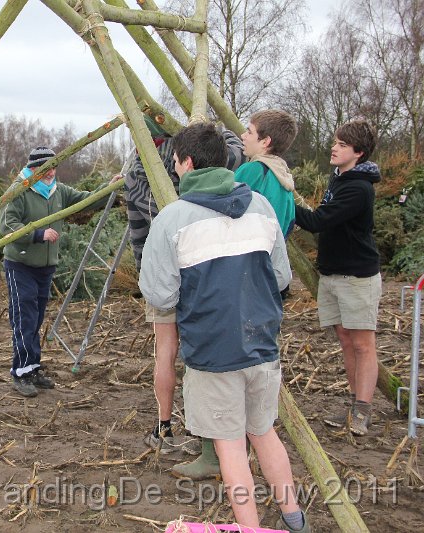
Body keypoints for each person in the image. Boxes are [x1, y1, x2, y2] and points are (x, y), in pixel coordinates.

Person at [139, 123, 310, 532]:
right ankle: (295, 520)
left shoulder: (173, 219)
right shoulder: (262, 207)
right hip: (262, 345)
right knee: (264, 433)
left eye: (176, 161)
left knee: (231, 449)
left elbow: (160, 296)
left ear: (188, 163)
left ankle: (250, 529)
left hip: (213, 352)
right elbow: (282, 277)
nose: (176, 168)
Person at [126, 116, 245, 470]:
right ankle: (182, 428)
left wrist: (205, 132)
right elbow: (234, 153)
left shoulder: (141, 167)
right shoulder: (145, 168)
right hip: (189, 266)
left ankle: (173, 428)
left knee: (171, 349)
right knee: (189, 348)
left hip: (170, 268)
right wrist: (211, 131)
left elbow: (232, 153)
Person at [0, 146, 121, 397]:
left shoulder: (57, 190)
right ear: (32, 168)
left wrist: (109, 187)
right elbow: (7, 225)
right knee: (24, 318)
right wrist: (37, 234)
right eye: (46, 168)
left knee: (36, 319)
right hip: (20, 265)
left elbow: (84, 200)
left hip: (45, 267)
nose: (51, 172)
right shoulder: (19, 190)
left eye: (53, 167)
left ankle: (32, 368)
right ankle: (20, 373)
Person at [294, 119, 381, 437]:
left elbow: (319, 221)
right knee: (345, 340)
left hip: (356, 277)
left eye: (342, 144)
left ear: (358, 152)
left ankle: (363, 409)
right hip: (332, 274)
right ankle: (354, 400)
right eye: (335, 141)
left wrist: (282, 201)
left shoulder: (359, 188)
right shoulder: (339, 178)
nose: (334, 147)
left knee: (362, 344)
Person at [235, 109, 298, 239]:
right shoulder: (285, 179)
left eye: (249, 132)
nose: (243, 135)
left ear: (265, 142)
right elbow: (289, 224)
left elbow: (224, 209)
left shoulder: (253, 170)